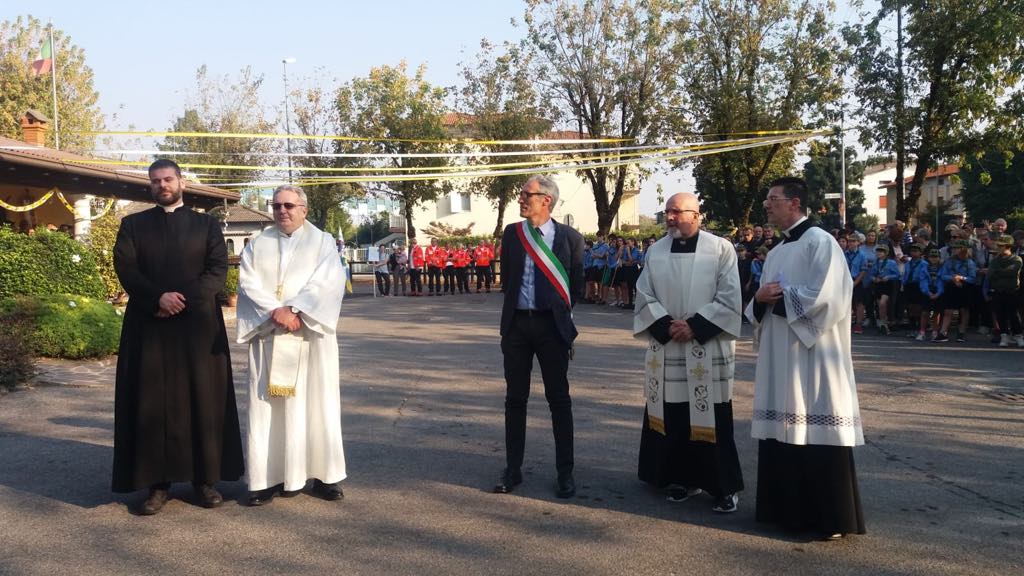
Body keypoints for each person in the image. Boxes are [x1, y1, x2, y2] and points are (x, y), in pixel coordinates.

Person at [111, 159, 244, 515]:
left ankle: (205, 480)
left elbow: (217, 270)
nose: (162, 185)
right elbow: (126, 267)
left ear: (181, 182)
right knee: (152, 401)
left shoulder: (207, 225)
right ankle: (157, 484)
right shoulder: (133, 225)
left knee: (203, 399)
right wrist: (158, 298)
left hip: (198, 327)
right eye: (156, 181)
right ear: (151, 186)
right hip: (149, 324)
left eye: (168, 179)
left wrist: (181, 299)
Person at [746, 176, 866, 539]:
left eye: (773, 199)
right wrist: (760, 301)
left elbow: (828, 297)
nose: (767, 205)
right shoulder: (778, 250)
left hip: (813, 356)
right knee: (783, 428)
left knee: (812, 425)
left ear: (795, 203)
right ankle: (785, 511)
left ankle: (825, 518)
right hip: (781, 354)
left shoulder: (820, 242)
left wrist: (778, 299)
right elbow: (762, 298)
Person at [236, 185, 347, 506]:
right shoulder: (257, 244)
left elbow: (328, 281)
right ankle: (267, 479)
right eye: (276, 206)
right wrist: (276, 311)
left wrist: (296, 309)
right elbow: (248, 283)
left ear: (304, 209)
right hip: (270, 334)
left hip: (310, 336)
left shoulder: (323, 242)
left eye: (288, 205)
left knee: (318, 406)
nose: (281, 210)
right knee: (270, 408)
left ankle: (325, 476)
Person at [633, 192, 744, 513]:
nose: (670, 217)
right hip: (668, 348)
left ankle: (723, 487)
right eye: (667, 211)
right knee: (673, 414)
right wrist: (667, 324)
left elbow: (730, 295)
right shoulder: (656, 250)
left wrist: (695, 325)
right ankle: (680, 478)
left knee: (713, 415)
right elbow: (643, 293)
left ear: (696, 215)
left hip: (706, 347)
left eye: (677, 212)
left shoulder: (720, 249)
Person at [494, 175, 584, 499]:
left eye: (525, 194)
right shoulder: (512, 234)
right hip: (517, 326)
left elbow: (577, 286)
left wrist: (556, 314)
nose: (520, 199)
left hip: (552, 328)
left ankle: (565, 473)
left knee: (559, 400)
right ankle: (512, 469)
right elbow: (508, 279)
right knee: (514, 400)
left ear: (546, 200)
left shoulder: (570, 238)